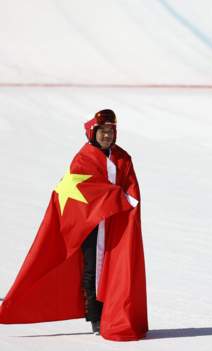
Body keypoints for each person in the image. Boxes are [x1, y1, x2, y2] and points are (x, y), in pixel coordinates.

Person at [0, 109, 148, 341]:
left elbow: (131, 188)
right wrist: (115, 198)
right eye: (103, 132)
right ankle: (96, 318)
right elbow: (85, 187)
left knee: (114, 270)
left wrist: (124, 202)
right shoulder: (84, 157)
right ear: (93, 133)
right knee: (90, 270)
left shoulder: (123, 157)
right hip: (89, 222)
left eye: (110, 131)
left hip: (114, 226)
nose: (107, 136)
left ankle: (115, 315)